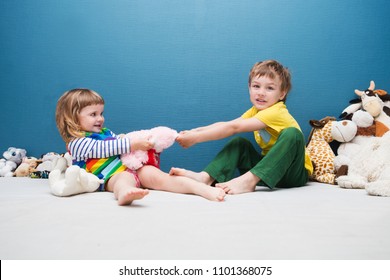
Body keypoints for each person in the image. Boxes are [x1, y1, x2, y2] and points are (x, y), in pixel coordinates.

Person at [55, 89, 226, 206]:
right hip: (108, 177)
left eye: (101, 113)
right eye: (93, 114)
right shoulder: (76, 143)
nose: (100, 119)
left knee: (160, 177)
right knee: (122, 181)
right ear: (72, 118)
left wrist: (126, 139)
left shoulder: (105, 132)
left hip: (131, 167)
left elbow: (115, 143)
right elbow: (103, 149)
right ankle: (125, 193)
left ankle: (200, 188)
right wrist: (130, 143)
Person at [170, 60, 313, 194]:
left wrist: (196, 138)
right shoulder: (255, 111)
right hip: (270, 171)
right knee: (240, 143)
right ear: (249, 88)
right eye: (256, 86)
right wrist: (195, 131)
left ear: (282, 93)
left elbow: (234, 128)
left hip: (294, 173)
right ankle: (205, 177)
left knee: (292, 134)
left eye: (270, 88)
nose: (261, 93)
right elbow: (228, 124)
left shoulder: (277, 111)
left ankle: (249, 181)